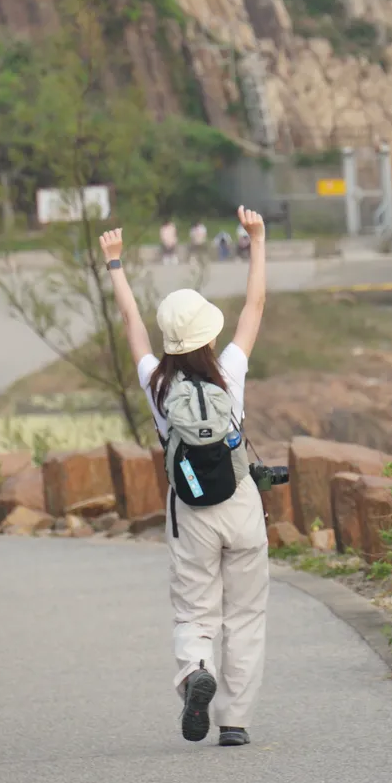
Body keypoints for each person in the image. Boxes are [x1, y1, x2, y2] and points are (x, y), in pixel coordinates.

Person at [99, 206, 268, 748]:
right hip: (241, 504)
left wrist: (116, 264)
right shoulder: (230, 372)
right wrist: (256, 241)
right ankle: (235, 721)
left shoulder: (157, 384)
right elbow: (256, 306)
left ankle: (196, 670)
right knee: (245, 615)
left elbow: (130, 324)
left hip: (190, 511)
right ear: (208, 335)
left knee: (196, 610)